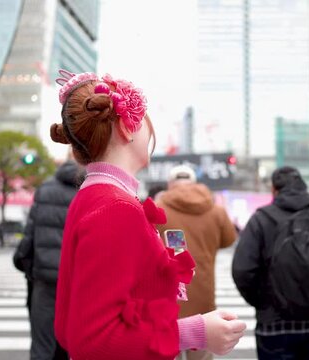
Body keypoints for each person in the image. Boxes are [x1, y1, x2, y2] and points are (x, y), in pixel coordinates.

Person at [49, 70, 246, 360]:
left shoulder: (93, 196)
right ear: (128, 129)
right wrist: (196, 331)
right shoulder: (116, 207)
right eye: (143, 120)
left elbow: (68, 328)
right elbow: (93, 341)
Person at [233, 166, 309, 360]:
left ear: (274, 190)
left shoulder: (261, 220)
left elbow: (243, 270)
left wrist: (263, 302)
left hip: (274, 324)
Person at [155, 165, 238, 360]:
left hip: (168, 299)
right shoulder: (216, 210)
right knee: (201, 354)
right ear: (195, 183)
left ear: (170, 184)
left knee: (168, 351)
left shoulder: (159, 208)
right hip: (204, 296)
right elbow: (229, 239)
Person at [13, 160, 82, 360]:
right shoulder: (88, 191)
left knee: (42, 346)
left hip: (45, 280)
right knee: (74, 345)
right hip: (76, 282)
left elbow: (29, 239)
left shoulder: (45, 189)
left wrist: (25, 265)